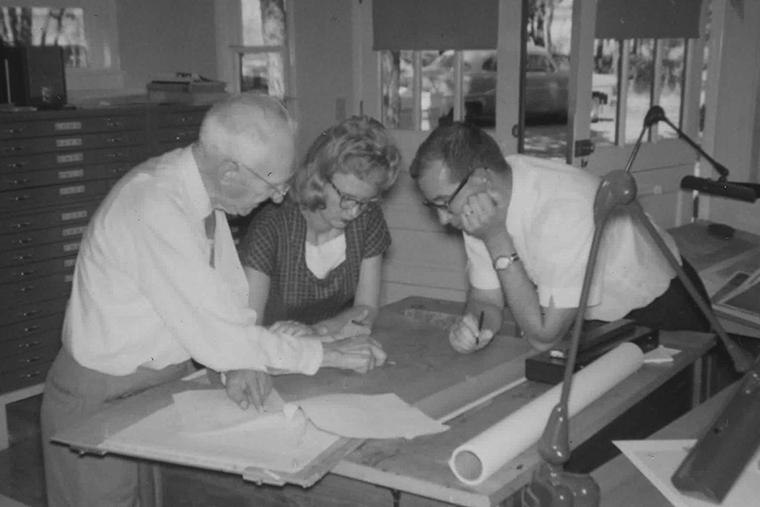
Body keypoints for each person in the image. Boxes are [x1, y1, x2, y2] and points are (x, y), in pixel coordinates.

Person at [40, 94, 386, 507]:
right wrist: (330, 354)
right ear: (229, 170)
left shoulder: (205, 202)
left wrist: (237, 363)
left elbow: (227, 306)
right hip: (99, 398)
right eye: (273, 184)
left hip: (159, 391)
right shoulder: (154, 206)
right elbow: (218, 334)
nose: (279, 198)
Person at [410, 121, 710, 354]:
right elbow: (486, 298)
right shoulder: (480, 202)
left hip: (661, 306)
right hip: (588, 315)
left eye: (443, 202)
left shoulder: (563, 209)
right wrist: (475, 328)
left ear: (481, 179)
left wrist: (496, 239)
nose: (443, 218)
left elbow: (543, 337)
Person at [240, 116, 401, 337]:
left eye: (366, 202)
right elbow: (247, 329)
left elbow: (367, 308)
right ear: (317, 179)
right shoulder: (271, 228)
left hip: (326, 344)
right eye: (347, 197)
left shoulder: (368, 218)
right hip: (273, 351)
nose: (354, 211)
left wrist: (318, 331)